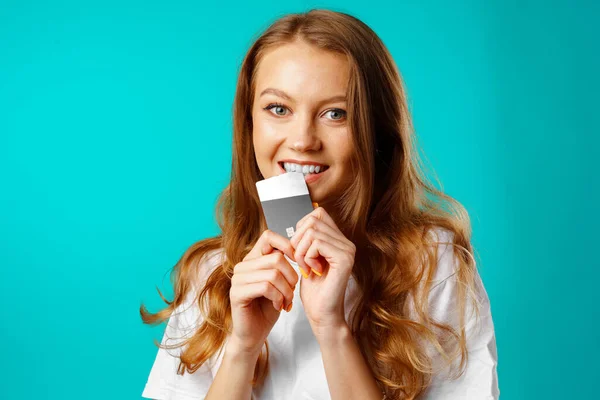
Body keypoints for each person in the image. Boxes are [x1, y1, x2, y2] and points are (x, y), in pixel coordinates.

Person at [140, 8, 499, 400]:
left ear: (376, 129)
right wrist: (241, 349)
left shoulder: (432, 264)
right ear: (249, 123)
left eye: (335, 114)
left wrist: (332, 328)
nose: (303, 140)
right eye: (278, 109)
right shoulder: (211, 274)